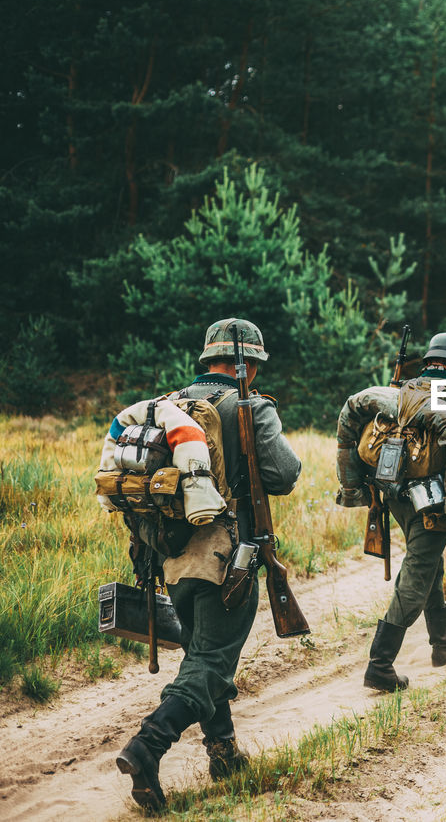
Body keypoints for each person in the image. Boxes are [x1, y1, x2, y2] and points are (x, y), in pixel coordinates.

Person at [115, 318, 302, 810]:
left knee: (202, 654)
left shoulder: (169, 407)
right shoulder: (252, 407)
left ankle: (223, 752)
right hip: (228, 558)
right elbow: (284, 475)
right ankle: (147, 745)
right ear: (253, 365)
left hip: (171, 557)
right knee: (213, 663)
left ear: (206, 359)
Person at [363, 331, 446, 692]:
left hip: (396, 495)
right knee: (419, 569)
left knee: (429, 560)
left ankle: (443, 645)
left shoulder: (399, 391)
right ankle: (380, 664)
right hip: (437, 500)